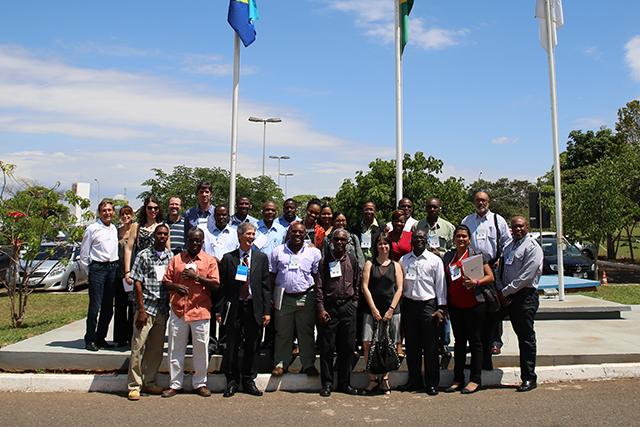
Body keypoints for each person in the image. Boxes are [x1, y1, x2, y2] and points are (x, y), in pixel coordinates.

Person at [482, 217, 543, 392]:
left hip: (524, 297)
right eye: (514, 226)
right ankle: (485, 365)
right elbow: (500, 271)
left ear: (526, 227)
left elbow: (526, 276)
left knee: (525, 338)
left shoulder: (533, 248)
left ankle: (529, 378)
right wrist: (501, 292)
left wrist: (506, 292)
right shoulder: (509, 247)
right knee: (487, 325)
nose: (517, 229)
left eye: (520, 226)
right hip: (504, 297)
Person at [161, 227, 220, 398]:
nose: (194, 243)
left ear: (202, 242)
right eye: (192, 240)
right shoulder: (176, 259)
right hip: (179, 310)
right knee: (175, 349)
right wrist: (175, 286)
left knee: (201, 349)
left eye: (198, 240)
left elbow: (215, 285)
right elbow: (166, 281)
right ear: (187, 241)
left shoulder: (209, 261)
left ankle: (200, 383)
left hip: (199, 310)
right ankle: (175, 384)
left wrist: (197, 277)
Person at [217, 222, 271, 397]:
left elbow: (265, 287)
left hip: (253, 308)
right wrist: (219, 311)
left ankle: (249, 380)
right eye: (248, 234)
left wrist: (266, 311)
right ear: (239, 236)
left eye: (253, 234)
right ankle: (232, 382)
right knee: (231, 346)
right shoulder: (228, 258)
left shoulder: (261, 258)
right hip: (234, 308)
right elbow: (223, 287)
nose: (251, 237)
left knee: (252, 346)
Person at [443, 224, 494, 394]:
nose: (461, 239)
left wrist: (476, 283)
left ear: (469, 239)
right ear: (454, 239)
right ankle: (458, 379)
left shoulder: (476, 255)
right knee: (459, 343)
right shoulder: (448, 257)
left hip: (475, 305)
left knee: (475, 342)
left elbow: (490, 277)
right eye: (458, 236)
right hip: (455, 307)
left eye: (464, 236)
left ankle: (475, 380)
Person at [461, 191, 512, 355]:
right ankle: (474, 340)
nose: (480, 203)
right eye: (477, 200)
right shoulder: (467, 220)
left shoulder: (498, 220)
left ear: (489, 202)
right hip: (473, 265)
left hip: (492, 266)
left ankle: (495, 341)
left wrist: (501, 259)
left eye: (483, 200)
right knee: (474, 304)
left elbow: (507, 243)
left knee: (493, 304)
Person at [398, 229, 447, 396]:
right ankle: (414, 380)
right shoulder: (404, 260)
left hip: (429, 306)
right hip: (410, 306)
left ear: (427, 241)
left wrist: (441, 308)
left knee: (431, 346)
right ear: (411, 240)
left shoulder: (435, 260)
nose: (419, 240)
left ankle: (432, 382)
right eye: (416, 237)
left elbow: (441, 285)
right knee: (412, 346)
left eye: (422, 237)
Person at [127, 224, 172, 401]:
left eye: (165, 234)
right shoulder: (143, 255)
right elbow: (137, 282)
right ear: (154, 236)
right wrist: (141, 310)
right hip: (146, 308)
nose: (162, 236)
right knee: (138, 347)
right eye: (159, 233)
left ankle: (149, 381)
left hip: (162, 309)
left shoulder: (170, 256)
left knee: (156, 349)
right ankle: (134, 385)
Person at [270, 222, 322, 377]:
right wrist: (272, 297)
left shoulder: (314, 252)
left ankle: (308, 364)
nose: (297, 235)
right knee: (283, 332)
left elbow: (317, 276)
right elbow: (272, 275)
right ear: (289, 233)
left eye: (301, 232)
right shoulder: (278, 252)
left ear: (305, 234)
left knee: (306, 333)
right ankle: (280, 364)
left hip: (306, 297)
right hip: (284, 298)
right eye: (294, 232)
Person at [316, 229, 361, 397]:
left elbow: (357, 283)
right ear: (332, 242)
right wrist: (321, 308)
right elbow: (319, 287)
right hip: (330, 308)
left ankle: (344, 383)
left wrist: (355, 303)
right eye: (336, 240)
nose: (340, 243)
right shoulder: (324, 261)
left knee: (347, 348)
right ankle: (326, 384)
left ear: (347, 241)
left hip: (348, 307)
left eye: (343, 240)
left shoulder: (353, 261)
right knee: (327, 348)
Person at [361, 232, 403, 395]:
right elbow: (365, 286)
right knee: (367, 342)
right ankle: (372, 379)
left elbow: (399, 288)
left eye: (386, 243)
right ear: (376, 246)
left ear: (390, 246)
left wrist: (391, 310)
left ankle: (385, 379)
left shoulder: (396, 265)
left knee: (389, 344)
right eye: (380, 243)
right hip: (372, 309)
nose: (383, 246)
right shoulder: (369, 264)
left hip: (391, 311)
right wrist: (373, 309)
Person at [413, 197, 455, 358]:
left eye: (435, 207)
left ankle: (443, 343)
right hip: (421, 272)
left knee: (442, 305)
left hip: (441, 271)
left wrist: (441, 254)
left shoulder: (448, 227)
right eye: (430, 207)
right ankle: (426, 342)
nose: (432, 210)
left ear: (439, 209)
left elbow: (453, 249)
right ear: (426, 208)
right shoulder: (418, 225)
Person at [79, 200, 119, 351]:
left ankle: (101, 337)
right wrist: (90, 271)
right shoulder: (92, 229)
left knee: (108, 306)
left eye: (109, 210)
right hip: (98, 268)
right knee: (95, 305)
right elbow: (84, 253)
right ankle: (90, 339)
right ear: (99, 212)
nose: (107, 213)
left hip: (113, 268)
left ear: (113, 212)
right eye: (104, 210)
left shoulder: (114, 228)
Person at [253, 201, 287, 352]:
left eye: (272, 210)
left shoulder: (281, 230)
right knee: (257, 307)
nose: (270, 213)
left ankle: (271, 340)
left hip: (275, 275)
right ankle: (256, 340)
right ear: (262, 211)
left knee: (273, 307)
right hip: (257, 273)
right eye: (267, 210)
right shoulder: (254, 228)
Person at [124, 197, 167, 290]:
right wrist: (127, 271)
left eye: (156, 208)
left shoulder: (163, 227)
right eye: (150, 208)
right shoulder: (137, 226)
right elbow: (128, 249)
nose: (153, 210)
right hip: (140, 268)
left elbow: (168, 251)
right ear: (145, 209)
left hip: (158, 268)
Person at [114, 205, 135, 347]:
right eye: (123, 214)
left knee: (133, 306)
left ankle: (132, 335)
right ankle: (121, 337)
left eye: (128, 214)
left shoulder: (136, 230)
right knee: (121, 307)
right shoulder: (116, 231)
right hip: (119, 273)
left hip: (133, 273)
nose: (125, 217)